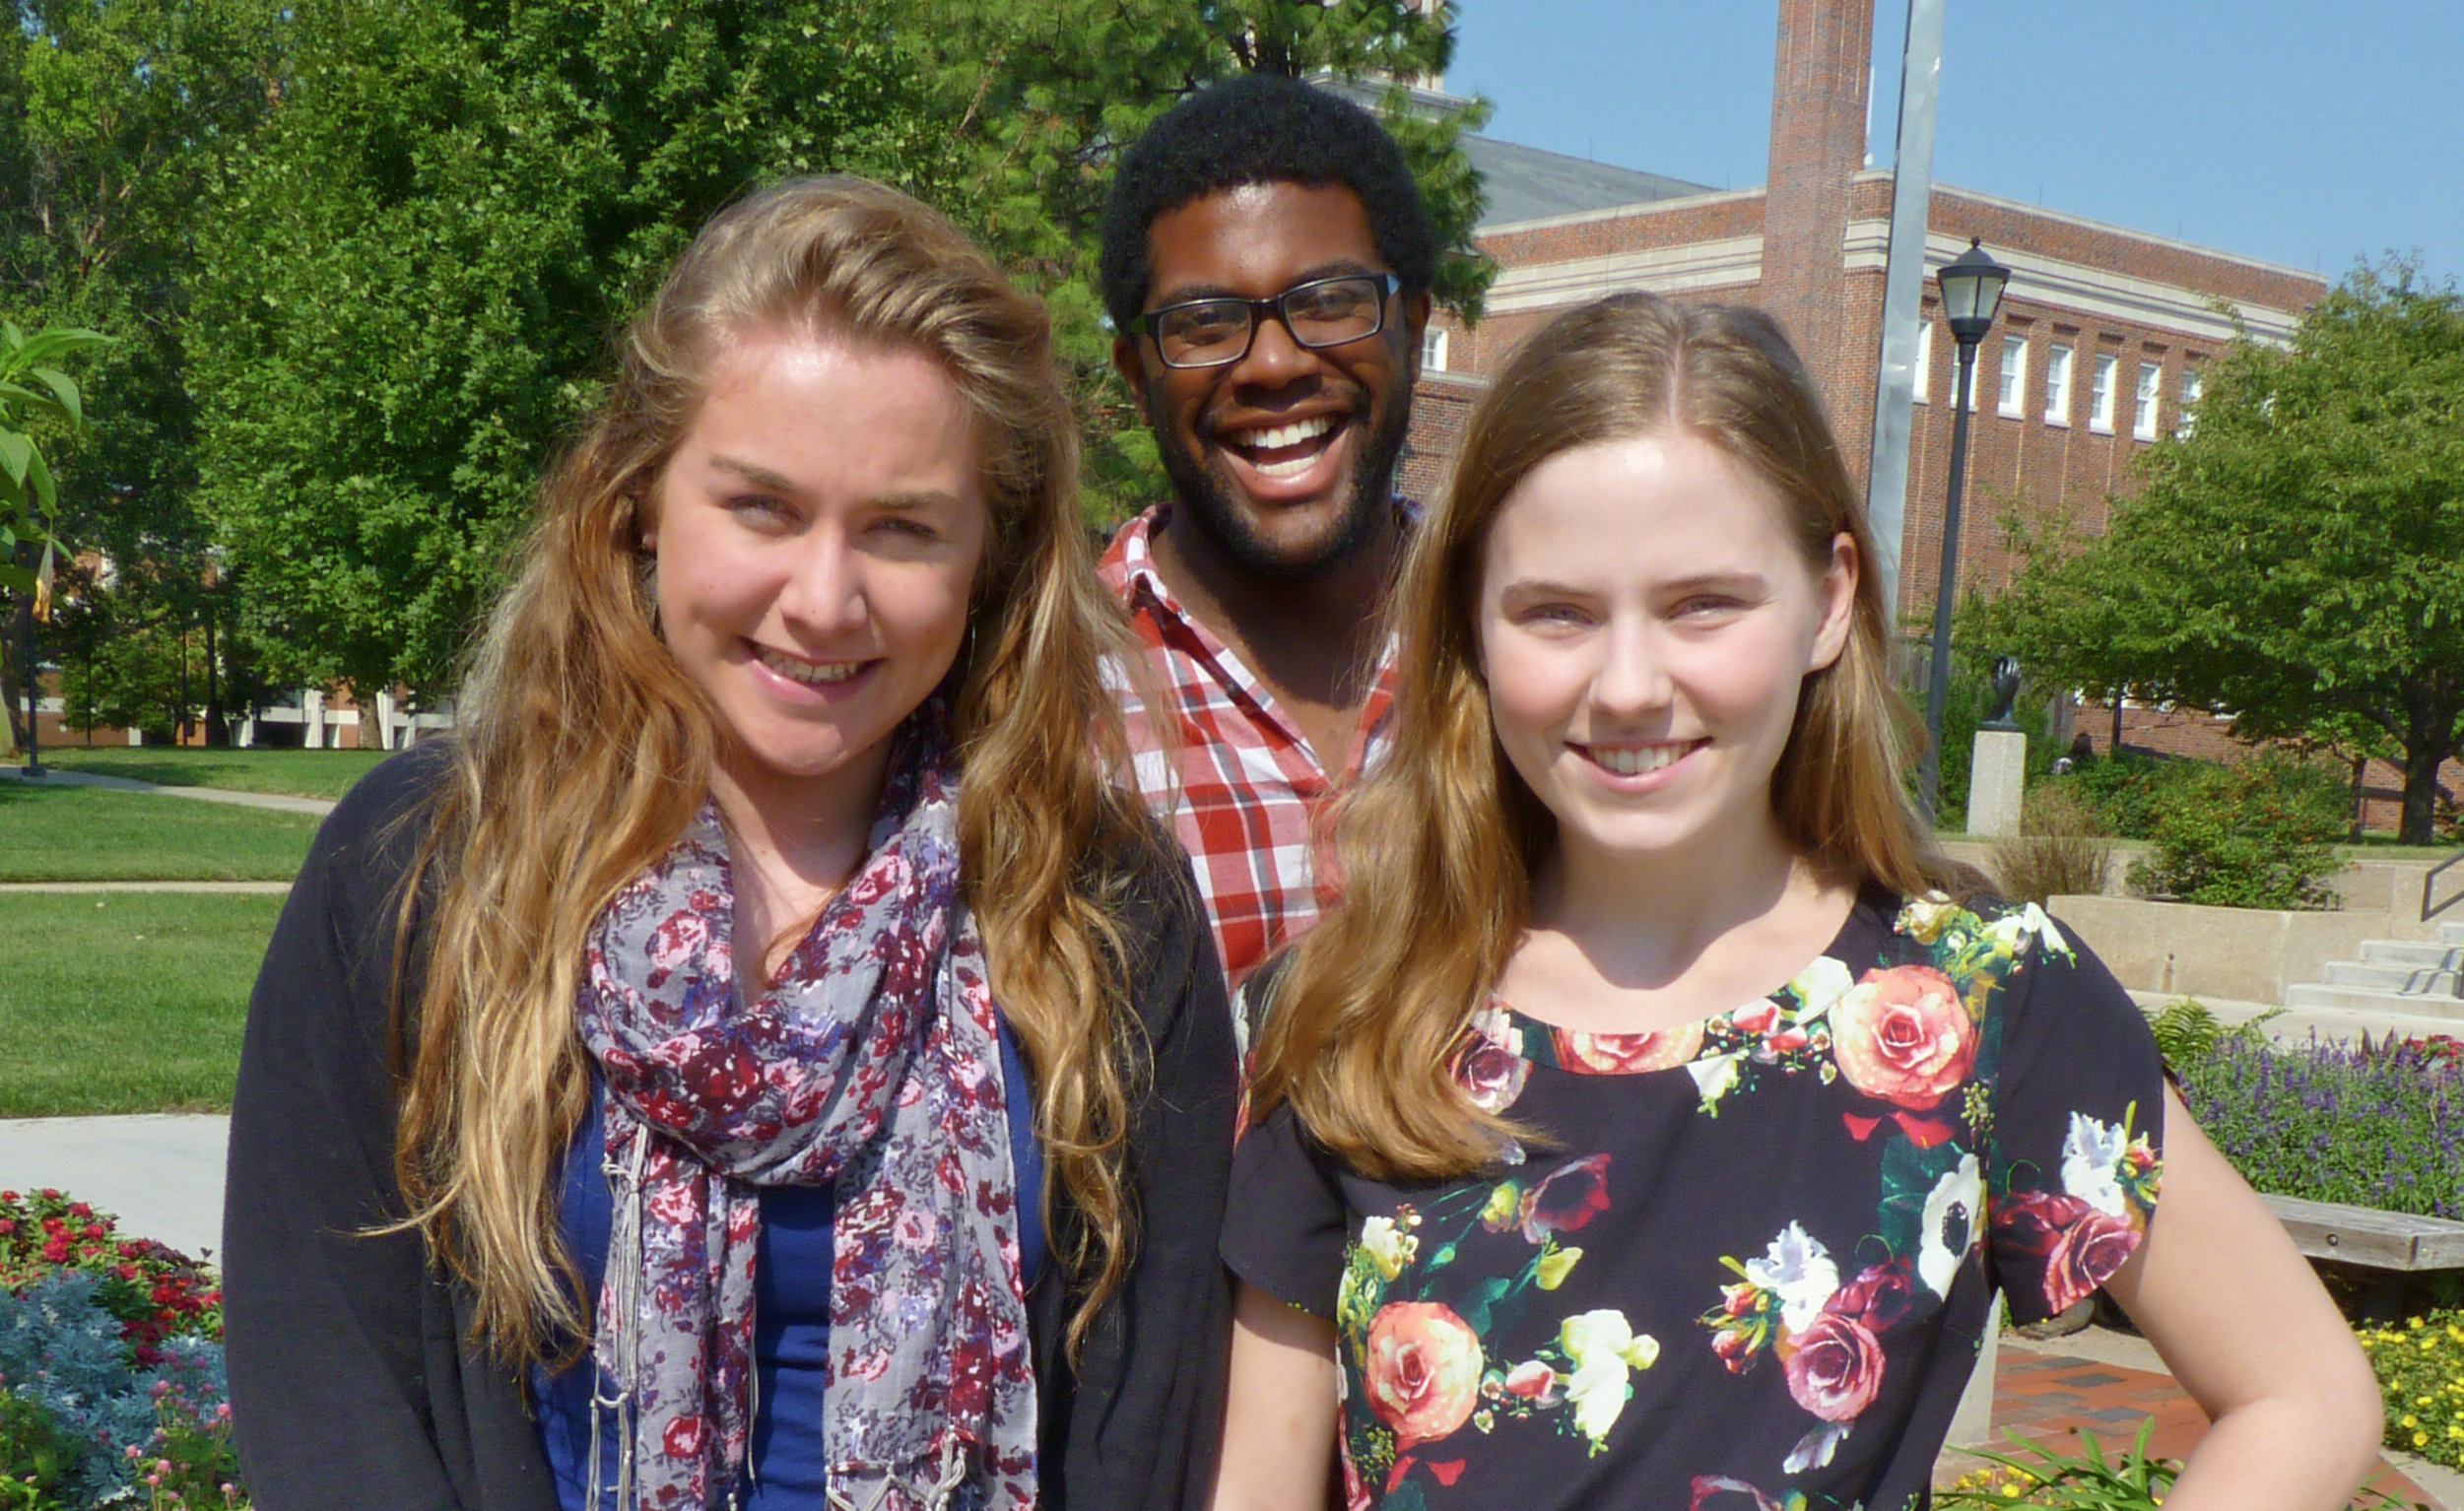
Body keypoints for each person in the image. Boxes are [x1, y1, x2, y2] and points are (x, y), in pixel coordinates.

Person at [1209, 294, 2385, 1511]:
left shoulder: (1980, 991)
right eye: (1554, 611)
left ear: (1826, 599)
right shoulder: (1358, 1005)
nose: (1625, 685)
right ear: (1469, 619)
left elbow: (2303, 1393)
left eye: (1701, 604)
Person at [222, 178, 1237, 1511]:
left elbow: (1145, 1415)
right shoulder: (425, 865)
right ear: (641, 501)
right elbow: (329, 1375)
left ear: (988, 554)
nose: (823, 600)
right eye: (760, 507)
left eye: (903, 527)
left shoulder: (1101, 903)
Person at [1097, 74, 1432, 994]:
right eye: (1203, 324)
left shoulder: (1535, 639)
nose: (1274, 364)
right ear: (1136, 374)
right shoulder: (1033, 700)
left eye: (1328, 301)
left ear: (1411, 322)